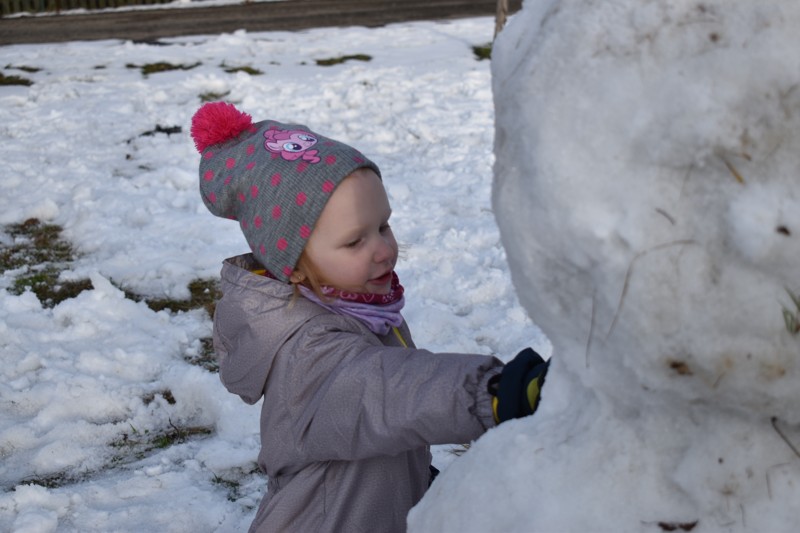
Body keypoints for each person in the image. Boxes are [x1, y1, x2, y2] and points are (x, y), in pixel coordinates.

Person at [190, 102, 550, 533]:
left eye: (384, 226)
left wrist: (408, 481)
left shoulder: (360, 307)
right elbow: (385, 392)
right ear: (294, 263)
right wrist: (492, 391)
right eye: (354, 241)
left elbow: (373, 423)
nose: (383, 249)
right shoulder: (309, 354)